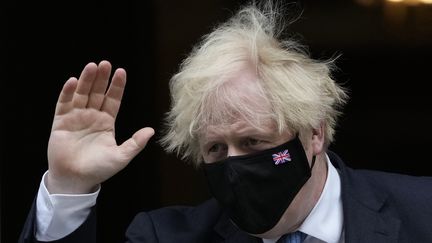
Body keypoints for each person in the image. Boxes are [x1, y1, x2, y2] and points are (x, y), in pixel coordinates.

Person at [19, 1, 432, 243]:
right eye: (216, 148)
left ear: (315, 133)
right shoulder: (167, 237)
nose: (235, 165)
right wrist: (71, 188)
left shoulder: (423, 212)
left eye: (253, 141)